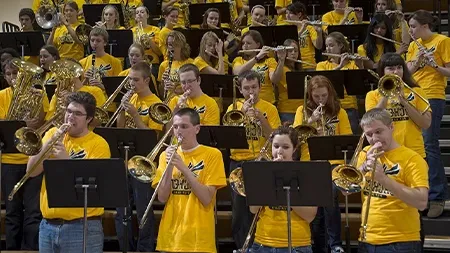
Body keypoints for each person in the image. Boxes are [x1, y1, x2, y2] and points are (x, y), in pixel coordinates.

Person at [27, 91, 110, 253]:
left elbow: (92, 188)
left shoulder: (99, 144)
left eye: (78, 113)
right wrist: (48, 143)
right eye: (69, 111)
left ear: (89, 119)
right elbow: (30, 172)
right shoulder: (51, 134)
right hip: (47, 225)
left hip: (81, 226)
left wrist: (65, 160)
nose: (70, 117)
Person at [152, 108, 227, 253]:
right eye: (175, 127)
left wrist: (184, 169)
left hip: (198, 239)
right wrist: (168, 168)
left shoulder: (212, 155)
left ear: (197, 129)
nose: (179, 131)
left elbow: (206, 198)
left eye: (184, 126)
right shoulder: (164, 156)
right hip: (170, 238)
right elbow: (162, 197)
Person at [353, 108, 428, 252]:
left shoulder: (412, 159)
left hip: (400, 242)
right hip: (366, 240)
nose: (374, 139)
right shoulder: (364, 154)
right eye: (369, 134)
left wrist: (383, 179)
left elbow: (421, 202)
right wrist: (362, 168)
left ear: (391, 127)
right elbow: (346, 191)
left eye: (379, 131)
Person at [293, 75, 351, 253]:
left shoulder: (339, 112)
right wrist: (310, 123)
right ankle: (317, 244)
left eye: (324, 96)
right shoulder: (301, 111)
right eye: (316, 96)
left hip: (333, 163)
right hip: (309, 163)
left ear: (330, 94)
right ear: (310, 96)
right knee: (315, 201)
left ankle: (335, 244)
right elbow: (294, 139)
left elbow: (348, 140)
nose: (320, 100)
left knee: (330, 194)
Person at [227, 70, 281, 249]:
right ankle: (242, 247)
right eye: (246, 88)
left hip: (261, 161)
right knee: (239, 212)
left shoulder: (270, 108)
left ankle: (260, 246)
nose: (251, 92)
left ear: (260, 87)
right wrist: (242, 115)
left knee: (261, 209)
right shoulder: (233, 108)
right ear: (240, 89)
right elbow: (228, 136)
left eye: (254, 87)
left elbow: (275, 138)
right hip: (238, 162)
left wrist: (261, 119)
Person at [0, 59, 49, 251]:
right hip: (9, 160)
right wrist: (21, 123)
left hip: (34, 160)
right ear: (4, 76)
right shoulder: (2, 96)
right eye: (9, 74)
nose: (13, 77)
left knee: (33, 212)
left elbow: (43, 123)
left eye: (17, 73)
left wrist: (32, 124)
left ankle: (31, 249)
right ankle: (12, 249)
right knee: (12, 212)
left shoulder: (39, 94)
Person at [406, 10, 450, 218]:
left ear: (424, 26)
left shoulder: (442, 41)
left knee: (429, 145)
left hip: (433, 95)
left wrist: (435, 65)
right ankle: (421, 194)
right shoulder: (414, 46)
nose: (411, 31)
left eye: (414, 27)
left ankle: (437, 196)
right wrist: (418, 62)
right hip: (415, 95)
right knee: (418, 147)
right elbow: (407, 73)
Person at [113, 62, 161, 251]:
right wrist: (123, 111)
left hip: (143, 164)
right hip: (125, 161)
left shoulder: (156, 103)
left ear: (147, 80)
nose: (131, 84)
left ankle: (144, 249)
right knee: (121, 212)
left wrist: (136, 115)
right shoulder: (130, 99)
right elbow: (120, 130)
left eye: (135, 80)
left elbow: (153, 138)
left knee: (143, 212)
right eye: (129, 79)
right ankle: (126, 248)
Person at [249, 126, 317, 253]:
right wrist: (269, 176)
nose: (279, 152)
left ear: (294, 149)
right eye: (276, 146)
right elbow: (253, 209)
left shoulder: (306, 174)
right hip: (262, 243)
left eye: (285, 147)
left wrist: (284, 181)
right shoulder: (262, 173)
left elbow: (310, 216)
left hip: (297, 245)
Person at [366, 53, 431, 158]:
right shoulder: (372, 95)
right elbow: (371, 123)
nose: (396, 72)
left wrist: (405, 103)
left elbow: (426, 124)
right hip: (386, 152)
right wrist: (386, 94)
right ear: (383, 71)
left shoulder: (417, 91)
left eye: (399, 67)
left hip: (414, 151)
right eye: (390, 68)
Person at [317, 32, 362, 134]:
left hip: (350, 107)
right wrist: (340, 66)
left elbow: (360, 84)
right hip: (329, 108)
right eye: (327, 46)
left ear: (341, 45)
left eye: (331, 45)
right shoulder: (321, 65)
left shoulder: (352, 64)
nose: (328, 49)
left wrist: (360, 66)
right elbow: (322, 82)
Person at [233, 30, 284, 104]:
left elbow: (274, 80)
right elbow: (238, 73)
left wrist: (281, 60)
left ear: (257, 45)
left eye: (249, 43)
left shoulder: (269, 61)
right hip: (245, 104)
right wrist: (257, 57)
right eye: (243, 43)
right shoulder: (238, 60)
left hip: (267, 103)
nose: (245, 46)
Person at [283, 2, 323, 69]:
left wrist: (319, 33)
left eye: (290, 13)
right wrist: (302, 30)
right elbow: (290, 43)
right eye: (286, 13)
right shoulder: (285, 28)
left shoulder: (309, 28)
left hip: (308, 65)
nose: (287, 16)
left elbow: (318, 46)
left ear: (299, 14)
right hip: (291, 65)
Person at [274, 39, 303, 124]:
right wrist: (281, 60)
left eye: (296, 51)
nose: (293, 53)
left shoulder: (299, 69)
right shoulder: (282, 68)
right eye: (290, 51)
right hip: (287, 111)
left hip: (300, 109)